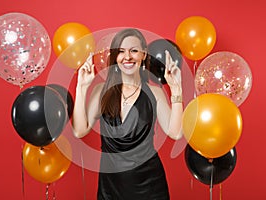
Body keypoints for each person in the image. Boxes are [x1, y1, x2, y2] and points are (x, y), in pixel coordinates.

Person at [72, 28, 183, 200]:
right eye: (121, 51)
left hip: (150, 185)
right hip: (111, 187)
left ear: (144, 55)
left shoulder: (155, 93)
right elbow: (80, 130)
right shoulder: (101, 91)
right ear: (115, 56)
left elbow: (175, 132)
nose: (128, 57)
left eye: (134, 51)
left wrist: (177, 89)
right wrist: (81, 87)